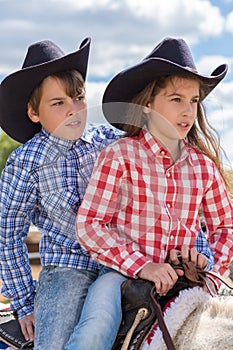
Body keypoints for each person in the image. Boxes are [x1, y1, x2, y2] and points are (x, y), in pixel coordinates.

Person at [65, 37, 233, 349]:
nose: (187, 111)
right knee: (95, 330)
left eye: (194, 101)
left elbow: (226, 227)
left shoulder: (202, 167)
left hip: (185, 281)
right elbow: (90, 224)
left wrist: (210, 268)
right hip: (121, 276)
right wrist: (142, 265)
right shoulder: (120, 156)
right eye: (175, 99)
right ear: (147, 105)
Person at [0, 37, 124, 350]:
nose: (74, 111)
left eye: (79, 98)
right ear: (33, 112)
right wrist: (26, 303)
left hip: (120, 260)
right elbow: (8, 235)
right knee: (53, 343)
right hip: (68, 267)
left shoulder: (107, 140)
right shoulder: (26, 161)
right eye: (58, 103)